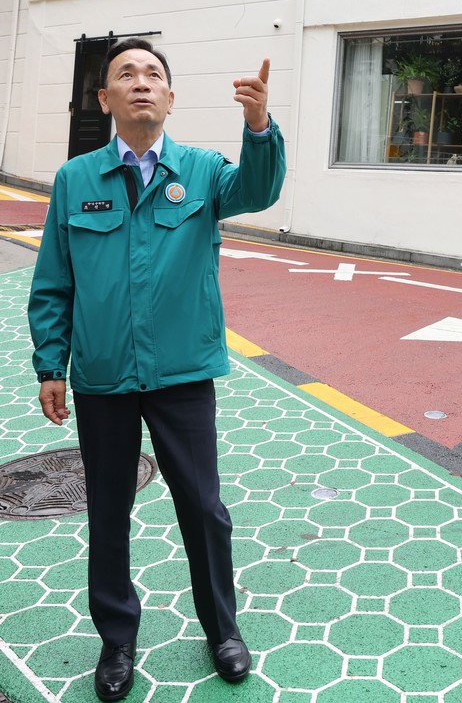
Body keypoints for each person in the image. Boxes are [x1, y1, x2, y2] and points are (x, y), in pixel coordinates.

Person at [28, 38, 286, 700]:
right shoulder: (75, 180)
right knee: (108, 510)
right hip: (103, 378)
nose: (141, 82)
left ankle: (223, 628)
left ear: (170, 97)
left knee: (203, 508)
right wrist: (50, 362)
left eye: (153, 75)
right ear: (105, 99)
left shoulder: (200, 170)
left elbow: (257, 189)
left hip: (182, 375)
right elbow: (54, 280)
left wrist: (258, 126)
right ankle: (117, 638)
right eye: (126, 75)